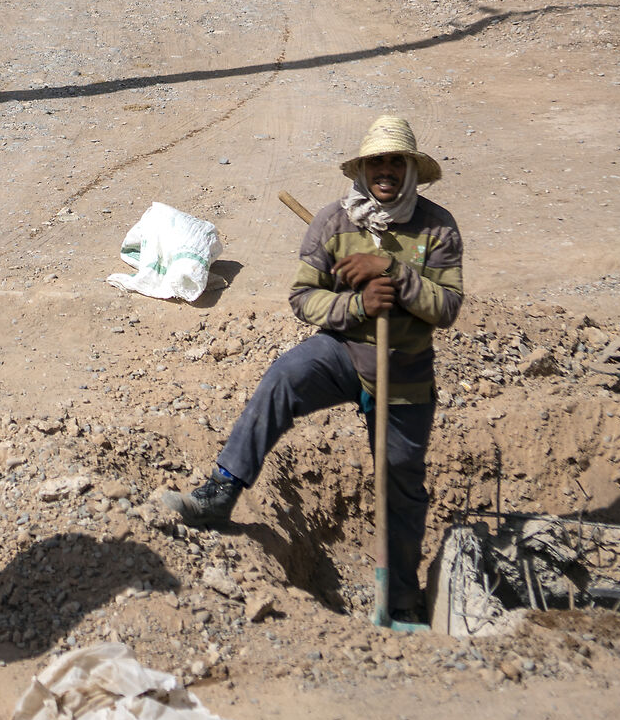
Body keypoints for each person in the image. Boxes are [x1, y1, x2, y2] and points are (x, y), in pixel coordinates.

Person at [154, 115, 463, 622]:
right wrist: (358, 307)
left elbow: (447, 307)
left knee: (401, 482)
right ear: (363, 168)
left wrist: (395, 273)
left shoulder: (437, 226)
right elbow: (304, 298)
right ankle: (219, 494)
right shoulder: (334, 222)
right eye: (376, 162)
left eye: (395, 162)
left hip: (405, 373)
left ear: (411, 170)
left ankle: (401, 601)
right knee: (283, 378)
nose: (385, 171)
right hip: (343, 353)